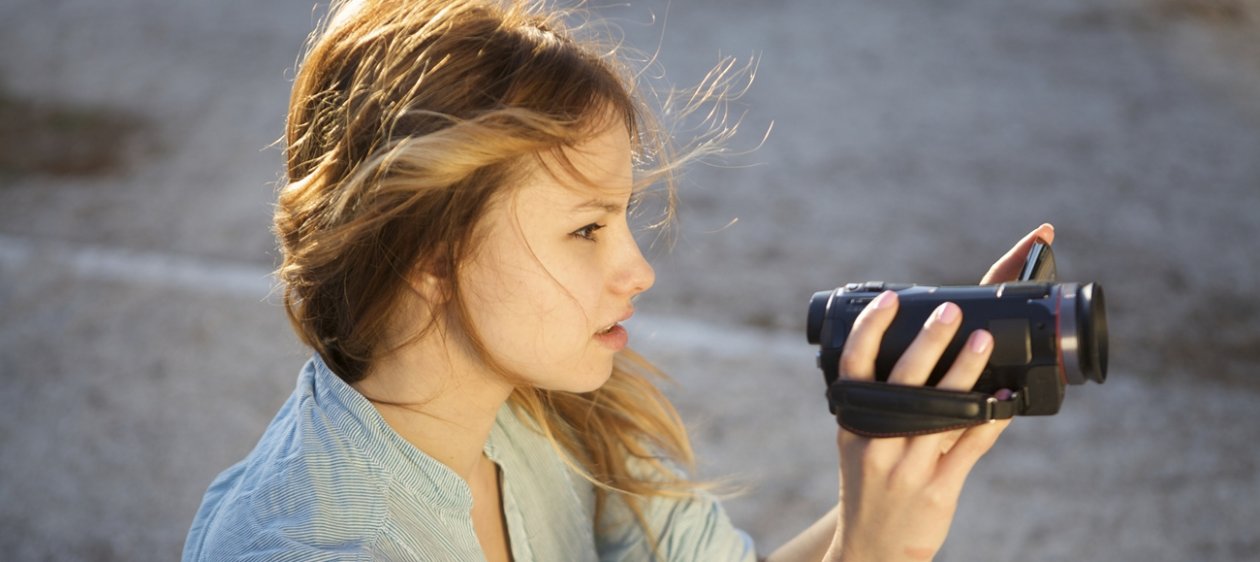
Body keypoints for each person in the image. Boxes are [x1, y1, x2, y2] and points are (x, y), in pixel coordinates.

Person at [182, 0, 1055, 560]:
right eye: (587, 228)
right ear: (430, 254)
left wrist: (883, 486)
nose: (637, 269)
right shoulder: (309, 546)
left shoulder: (544, 416)